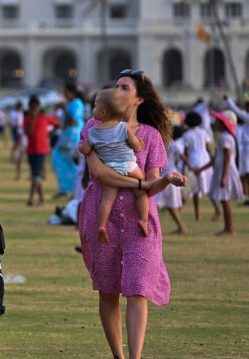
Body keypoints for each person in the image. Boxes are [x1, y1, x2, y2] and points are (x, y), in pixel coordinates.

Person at [78, 69, 188, 359]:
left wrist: (165, 180)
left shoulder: (151, 136)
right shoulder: (94, 125)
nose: (117, 91)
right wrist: (139, 183)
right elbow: (97, 172)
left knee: (138, 287)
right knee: (108, 288)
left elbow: (151, 188)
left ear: (139, 99)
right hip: (104, 215)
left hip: (140, 220)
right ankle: (118, 355)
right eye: (115, 86)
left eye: (124, 87)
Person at [79, 88, 148, 242]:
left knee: (107, 200)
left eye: (95, 107)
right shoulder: (124, 127)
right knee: (141, 191)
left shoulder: (93, 132)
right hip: (129, 165)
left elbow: (86, 150)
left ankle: (102, 226)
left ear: (103, 113)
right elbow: (135, 145)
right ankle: (143, 220)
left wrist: (80, 146)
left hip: (110, 168)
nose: (93, 109)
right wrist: (139, 146)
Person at [195, 111, 243, 236]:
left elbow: (227, 159)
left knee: (225, 200)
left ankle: (230, 229)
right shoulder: (224, 136)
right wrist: (202, 168)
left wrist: (224, 177)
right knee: (223, 200)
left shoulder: (226, 137)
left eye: (217, 121)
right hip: (223, 171)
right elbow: (216, 158)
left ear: (223, 124)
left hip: (226, 172)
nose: (214, 123)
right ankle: (227, 228)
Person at [181, 111, 219, 221]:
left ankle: (197, 214)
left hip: (194, 160)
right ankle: (217, 208)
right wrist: (212, 160)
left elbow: (186, 152)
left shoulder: (186, 135)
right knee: (208, 186)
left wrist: (185, 167)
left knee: (196, 190)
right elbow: (208, 148)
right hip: (205, 160)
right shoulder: (203, 132)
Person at [24, 95, 58, 207]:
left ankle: (32, 198)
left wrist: (50, 133)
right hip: (31, 150)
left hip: (41, 150)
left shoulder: (45, 118)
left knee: (36, 175)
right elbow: (27, 132)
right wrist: (33, 119)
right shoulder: (27, 119)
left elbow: (57, 124)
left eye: (36, 107)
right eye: (32, 107)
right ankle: (41, 200)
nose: (34, 109)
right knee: (35, 175)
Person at [52, 83, 85, 199]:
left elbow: (74, 121)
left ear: (71, 92)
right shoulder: (70, 104)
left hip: (73, 137)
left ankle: (74, 191)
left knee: (73, 163)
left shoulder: (77, 103)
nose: (64, 94)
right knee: (57, 160)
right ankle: (64, 188)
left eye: (66, 92)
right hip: (65, 137)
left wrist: (64, 109)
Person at [155, 126, 187, 234]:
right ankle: (181, 227)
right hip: (167, 173)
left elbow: (182, 157)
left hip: (168, 175)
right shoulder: (166, 143)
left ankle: (150, 228)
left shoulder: (170, 144)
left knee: (156, 204)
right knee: (170, 206)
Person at [223, 94, 249, 205]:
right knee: (243, 172)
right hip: (243, 148)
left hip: (247, 149)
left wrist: (228, 100)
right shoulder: (243, 126)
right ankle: (246, 194)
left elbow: (237, 111)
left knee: (246, 172)